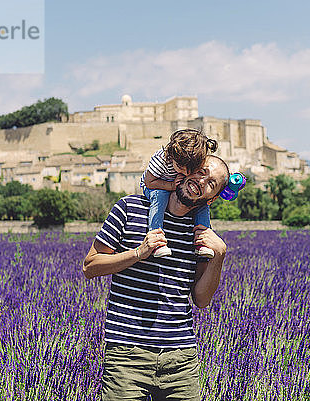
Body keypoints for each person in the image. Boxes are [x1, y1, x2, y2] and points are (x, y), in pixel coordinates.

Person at [82, 155, 230, 401]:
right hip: (127, 355)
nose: (201, 181)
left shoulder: (201, 234)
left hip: (181, 358)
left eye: (211, 183)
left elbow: (201, 299)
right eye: (201, 171)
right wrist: (138, 254)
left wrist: (219, 256)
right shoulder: (129, 208)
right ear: (187, 169)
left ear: (212, 198)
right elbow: (90, 266)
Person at [140, 128, 218, 259]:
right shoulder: (161, 160)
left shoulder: (191, 159)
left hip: (174, 185)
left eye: (192, 170)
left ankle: (202, 241)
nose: (187, 173)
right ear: (172, 156)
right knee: (161, 195)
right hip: (156, 186)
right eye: (181, 169)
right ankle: (156, 238)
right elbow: (149, 182)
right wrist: (170, 186)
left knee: (202, 204)